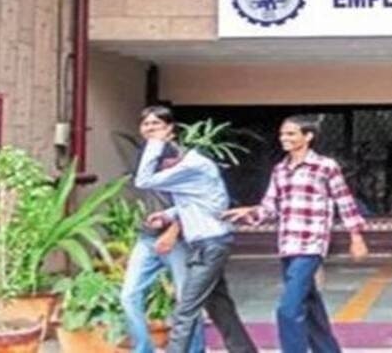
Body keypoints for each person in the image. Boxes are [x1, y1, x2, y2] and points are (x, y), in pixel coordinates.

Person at [224, 115, 368, 353]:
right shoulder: (280, 169)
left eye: (291, 134)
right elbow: (270, 206)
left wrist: (356, 236)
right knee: (310, 304)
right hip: (287, 245)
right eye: (282, 134)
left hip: (311, 245)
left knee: (288, 309)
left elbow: (344, 201)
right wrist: (250, 212)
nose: (284, 138)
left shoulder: (325, 166)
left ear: (308, 136)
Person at [134, 110, 258, 353]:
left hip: (210, 245)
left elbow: (143, 181)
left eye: (163, 166)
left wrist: (156, 143)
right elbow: (197, 202)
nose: (163, 172)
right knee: (219, 306)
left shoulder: (193, 166)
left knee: (186, 309)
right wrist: (168, 215)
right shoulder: (192, 166)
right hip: (208, 243)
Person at [120, 105, 206, 353]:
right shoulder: (145, 156)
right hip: (147, 238)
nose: (150, 128)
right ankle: (143, 349)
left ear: (170, 129)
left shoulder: (180, 158)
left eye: (156, 123)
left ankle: (194, 350)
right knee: (129, 296)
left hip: (178, 240)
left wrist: (173, 231)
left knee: (185, 300)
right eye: (146, 123)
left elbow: (194, 199)